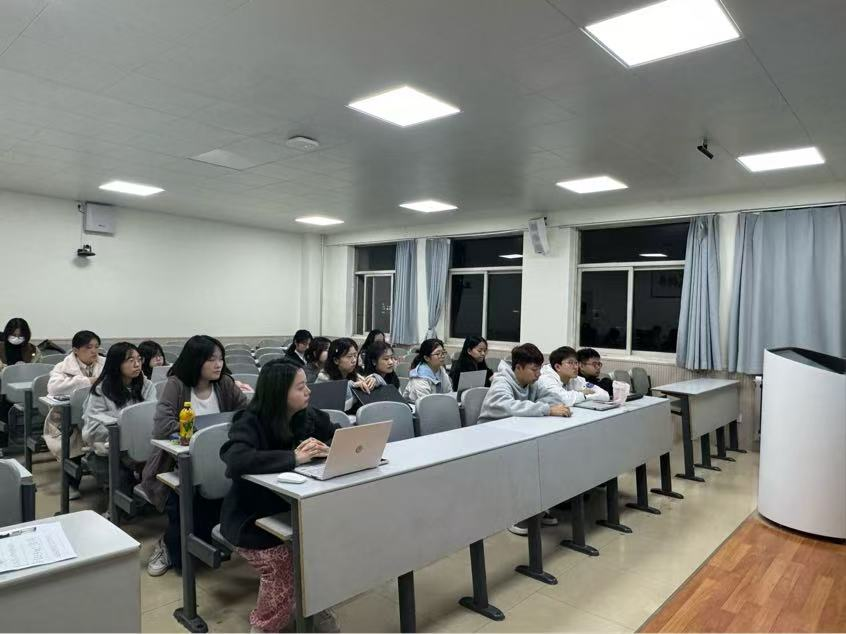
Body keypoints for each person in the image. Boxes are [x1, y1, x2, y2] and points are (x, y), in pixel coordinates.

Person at [220, 360, 340, 633]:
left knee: (324, 550)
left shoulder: (309, 416)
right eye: (300, 387)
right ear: (279, 392)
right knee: (281, 564)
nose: (308, 391)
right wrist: (293, 458)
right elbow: (236, 458)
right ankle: (264, 627)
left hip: (301, 509)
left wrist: (328, 448)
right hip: (252, 517)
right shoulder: (249, 421)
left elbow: (338, 435)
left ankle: (315, 606)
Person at [140, 335, 248, 577]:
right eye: (211, 359)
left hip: (220, 460)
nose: (218, 364)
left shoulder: (224, 383)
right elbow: (163, 425)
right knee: (184, 511)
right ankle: (167, 545)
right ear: (196, 360)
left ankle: (211, 541)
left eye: (220, 359)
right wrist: (199, 434)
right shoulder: (176, 385)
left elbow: (245, 414)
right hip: (179, 462)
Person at [476, 343, 571, 537]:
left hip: (518, 434)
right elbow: (505, 406)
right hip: (491, 439)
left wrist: (551, 406)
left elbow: (553, 399)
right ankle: (515, 514)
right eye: (534, 370)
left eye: (539, 369)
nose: (538, 374)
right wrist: (546, 409)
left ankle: (536, 507)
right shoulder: (502, 382)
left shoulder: (532, 383)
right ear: (518, 367)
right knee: (527, 461)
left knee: (546, 456)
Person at [82, 342, 156, 492]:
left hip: (140, 448)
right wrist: (125, 431)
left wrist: (123, 425)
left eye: (139, 359)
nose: (137, 364)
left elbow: (151, 417)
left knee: (158, 480)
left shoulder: (147, 386)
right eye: (130, 360)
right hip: (107, 452)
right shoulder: (101, 390)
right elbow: (92, 429)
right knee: (125, 488)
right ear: (117, 364)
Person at [42, 330, 104, 499]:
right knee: (74, 441)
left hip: (98, 414)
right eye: (88, 347)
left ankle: (107, 478)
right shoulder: (63, 367)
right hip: (68, 418)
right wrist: (87, 381)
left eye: (96, 347)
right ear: (76, 350)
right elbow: (54, 388)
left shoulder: (104, 363)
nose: (94, 351)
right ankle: (71, 483)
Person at [0, 318, 43, 449]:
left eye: (20, 336)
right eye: (14, 335)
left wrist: (26, 369)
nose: (17, 338)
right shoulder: (1, 348)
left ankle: (33, 441)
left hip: (26, 388)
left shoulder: (32, 350)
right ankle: (3, 444)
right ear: (7, 334)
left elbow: (39, 369)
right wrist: (10, 370)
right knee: (3, 404)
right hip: (3, 389)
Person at [316, 338, 375, 412]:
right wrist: (351, 386)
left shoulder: (355, 375)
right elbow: (339, 407)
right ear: (336, 360)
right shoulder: (324, 379)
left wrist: (373, 380)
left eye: (355, 355)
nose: (354, 360)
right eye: (349, 356)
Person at [537, 346, 610, 406]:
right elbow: (562, 400)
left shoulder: (575, 379)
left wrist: (581, 396)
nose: (575, 367)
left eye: (576, 363)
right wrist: (583, 393)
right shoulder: (546, 378)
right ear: (558, 367)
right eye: (570, 363)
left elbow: (605, 395)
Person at [403, 338, 453, 403]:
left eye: (443, 352)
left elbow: (449, 393)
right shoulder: (420, 377)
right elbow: (427, 403)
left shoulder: (441, 370)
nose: (442, 356)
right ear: (427, 358)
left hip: (438, 405)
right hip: (417, 407)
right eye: (438, 354)